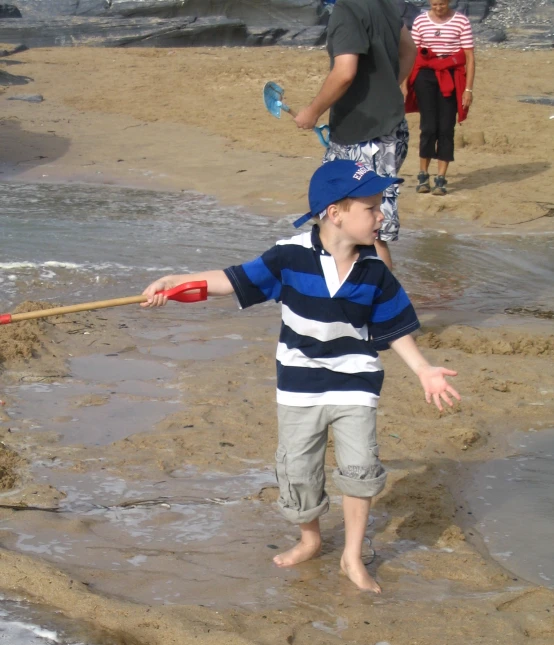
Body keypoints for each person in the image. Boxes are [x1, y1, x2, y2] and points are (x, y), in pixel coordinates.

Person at [141, 160, 460, 593]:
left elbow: (395, 327)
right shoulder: (288, 257)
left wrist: (423, 370)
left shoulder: (376, 271)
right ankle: (310, 539)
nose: (381, 215)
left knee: (360, 468)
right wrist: (177, 281)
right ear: (336, 213)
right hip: (299, 384)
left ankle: (351, 554)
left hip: (356, 380)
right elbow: (233, 281)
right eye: (371, 207)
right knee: (299, 471)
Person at [294, 0, 417, 272]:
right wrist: (387, 86)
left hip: (365, 134)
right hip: (389, 127)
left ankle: (385, 304)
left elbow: (345, 72)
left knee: (368, 230)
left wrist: (312, 112)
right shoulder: (386, 5)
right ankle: (343, 293)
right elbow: (410, 50)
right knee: (338, 219)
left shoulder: (346, 10)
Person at [405, 0, 475, 195]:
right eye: (434, 4)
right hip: (426, 75)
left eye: (442, 4)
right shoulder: (420, 21)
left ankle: (441, 178)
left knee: (445, 127)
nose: (438, 8)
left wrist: (468, 90)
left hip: (451, 73)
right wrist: (405, 84)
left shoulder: (461, 21)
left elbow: (469, 56)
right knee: (428, 127)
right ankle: (423, 175)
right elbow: (413, 53)